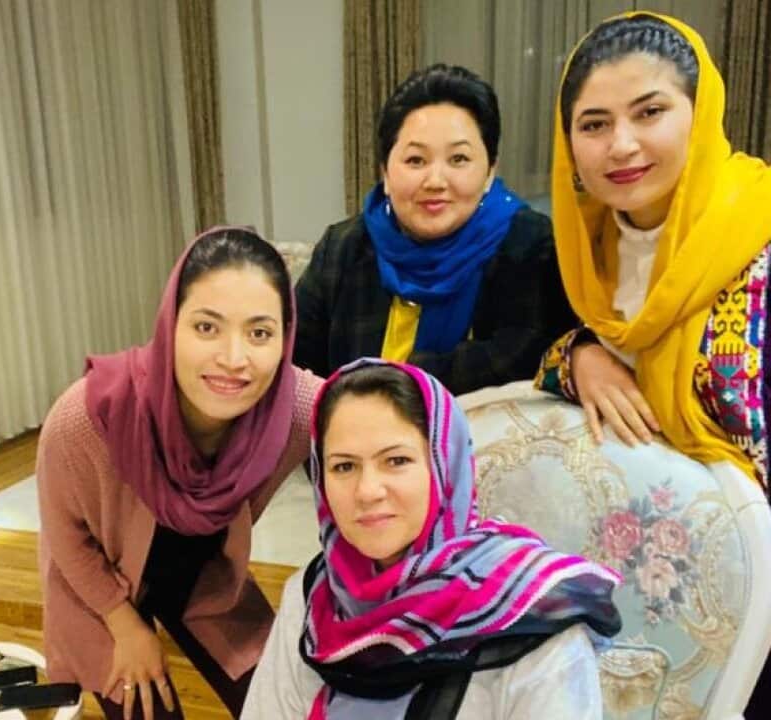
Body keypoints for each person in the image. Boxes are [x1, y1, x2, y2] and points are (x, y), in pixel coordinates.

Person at [534, 12, 771, 712]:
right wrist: (580, 356)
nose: (622, 144)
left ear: (700, 114)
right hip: (664, 598)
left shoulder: (756, 234)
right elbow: (536, 366)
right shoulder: (585, 255)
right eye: (595, 123)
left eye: (650, 112)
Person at [36, 226, 323, 719]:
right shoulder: (89, 417)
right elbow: (65, 536)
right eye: (207, 327)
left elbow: (383, 422)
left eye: (259, 333)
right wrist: (125, 626)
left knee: (285, 703)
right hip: (101, 590)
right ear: (171, 326)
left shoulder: (292, 406)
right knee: (146, 705)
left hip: (205, 580)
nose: (233, 360)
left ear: (285, 339)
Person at [243, 358, 621, 719]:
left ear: (445, 465)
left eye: (396, 461)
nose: (367, 490)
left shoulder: (533, 615)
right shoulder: (314, 599)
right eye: (344, 466)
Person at [295, 64, 575, 395]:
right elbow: (294, 364)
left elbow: (523, 358)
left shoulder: (529, 245)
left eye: (458, 159)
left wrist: (399, 382)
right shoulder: (343, 247)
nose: (436, 181)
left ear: (489, 171)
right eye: (416, 160)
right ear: (385, 172)